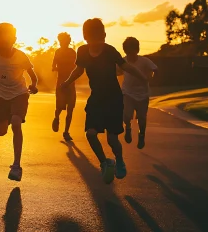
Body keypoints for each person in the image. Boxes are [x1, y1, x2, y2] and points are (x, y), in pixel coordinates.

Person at [61, 18, 148, 184]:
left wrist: (141, 76)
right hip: (96, 99)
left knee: (112, 139)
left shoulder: (110, 51)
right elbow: (79, 69)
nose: (95, 42)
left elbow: (125, 66)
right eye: (91, 38)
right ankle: (104, 162)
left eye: (99, 38)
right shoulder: (83, 51)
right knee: (91, 134)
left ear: (104, 36)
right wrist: (67, 81)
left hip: (114, 99)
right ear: (85, 37)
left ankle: (119, 160)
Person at [0, 23, 38, 181]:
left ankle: (16, 166)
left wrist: (34, 85)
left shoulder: (21, 56)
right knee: (1, 131)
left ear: (14, 40)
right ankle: (12, 115)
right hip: (1, 97)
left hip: (19, 94)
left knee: (16, 124)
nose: (2, 44)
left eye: (6, 41)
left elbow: (33, 75)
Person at [118, 37, 158, 149]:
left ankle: (141, 135)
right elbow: (117, 71)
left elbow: (155, 69)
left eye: (133, 51)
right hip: (128, 93)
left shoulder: (144, 61)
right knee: (126, 114)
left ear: (137, 50)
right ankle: (128, 127)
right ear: (125, 51)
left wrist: (151, 78)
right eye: (128, 52)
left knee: (142, 118)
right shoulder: (123, 61)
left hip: (143, 94)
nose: (131, 55)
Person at [51, 32, 77, 141]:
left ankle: (66, 131)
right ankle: (56, 117)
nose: (64, 43)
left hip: (70, 83)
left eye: (65, 41)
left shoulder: (72, 52)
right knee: (59, 107)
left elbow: (77, 66)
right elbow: (53, 66)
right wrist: (60, 69)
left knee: (70, 109)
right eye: (62, 41)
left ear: (68, 41)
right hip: (61, 83)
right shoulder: (58, 52)